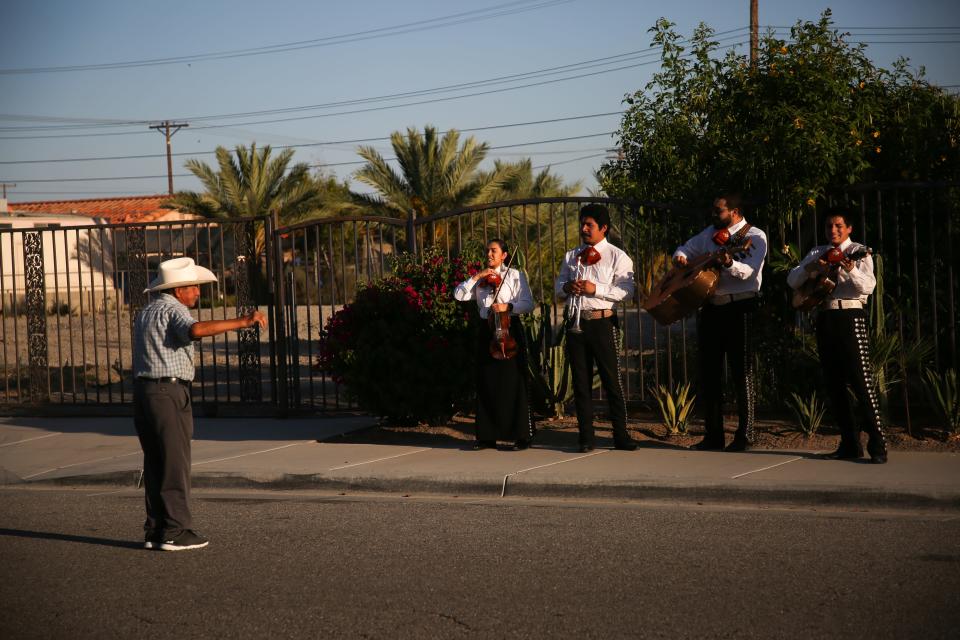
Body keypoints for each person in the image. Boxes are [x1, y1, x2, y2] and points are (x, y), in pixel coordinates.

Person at [133, 257, 267, 551]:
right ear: (179, 289)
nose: (197, 292)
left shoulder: (147, 311)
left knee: (155, 461)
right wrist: (243, 321)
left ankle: (156, 529)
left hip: (144, 392)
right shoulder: (174, 310)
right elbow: (195, 330)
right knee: (175, 461)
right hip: (168, 393)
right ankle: (176, 531)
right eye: (193, 286)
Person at [787, 209, 887, 464]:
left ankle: (878, 444)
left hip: (850, 317)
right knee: (834, 385)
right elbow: (792, 280)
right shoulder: (816, 252)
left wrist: (851, 269)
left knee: (861, 381)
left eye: (838, 225)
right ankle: (850, 443)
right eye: (829, 226)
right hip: (826, 317)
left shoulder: (860, 251)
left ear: (849, 228)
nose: (833, 230)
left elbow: (868, 287)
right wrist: (812, 269)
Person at [673, 193, 767, 452]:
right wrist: (680, 257)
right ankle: (713, 435)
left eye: (719, 211)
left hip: (741, 307)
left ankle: (745, 435)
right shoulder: (709, 233)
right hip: (712, 308)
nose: (713, 215)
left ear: (735, 212)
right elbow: (686, 248)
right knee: (710, 373)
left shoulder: (755, 236)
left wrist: (728, 263)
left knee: (742, 372)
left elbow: (749, 272)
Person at [555, 204, 637, 453]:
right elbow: (558, 288)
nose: (583, 229)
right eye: (582, 223)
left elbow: (628, 291)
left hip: (603, 321)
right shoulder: (572, 256)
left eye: (589, 225)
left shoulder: (617, 256)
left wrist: (596, 289)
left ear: (604, 228)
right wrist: (568, 287)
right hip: (577, 320)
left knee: (612, 381)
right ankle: (586, 438)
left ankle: (621, 436)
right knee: (581, 382)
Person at [455, 239, 536, 450]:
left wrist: (507, 306)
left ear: (504, 255)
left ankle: (521, 436)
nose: (489, 254)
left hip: (509, 329)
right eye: (488, 251)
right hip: (486, 330)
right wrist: (478, 276)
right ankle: (487, 436)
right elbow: (459, 294)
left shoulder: (516, 275)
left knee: (513, 381)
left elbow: (528, 303)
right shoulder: (481, 279)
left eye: (494, 251)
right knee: (486, 382)